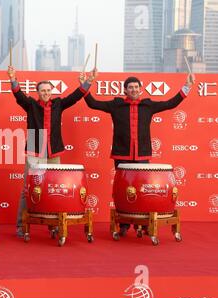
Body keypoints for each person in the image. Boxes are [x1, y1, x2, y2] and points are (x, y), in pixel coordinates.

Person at [83, 69, 195, 236]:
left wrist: (187, 86)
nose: (134, 89)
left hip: (142, 155)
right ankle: (124, 225)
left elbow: (171, 103)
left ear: (141, 89)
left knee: (142, 190)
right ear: (125, 90)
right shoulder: (116, 105)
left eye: (136, 87)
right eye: (130, 87)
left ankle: (141, 225)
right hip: (122, 155)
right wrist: (87, 83)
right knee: (124, 190)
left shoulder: (148, 105)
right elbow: (92, 103)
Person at [7, 66, 92, 238]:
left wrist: (88, 82)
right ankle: (20, 226)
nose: (46, 93)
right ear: (38, 92)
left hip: (54, 155)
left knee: (53, 189)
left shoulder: (59, 104)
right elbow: (18, 95)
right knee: (27, 190)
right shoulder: (30, 104)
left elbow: (76, 97)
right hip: (34, 153)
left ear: (51, 92)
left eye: (48, 90)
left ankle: (53, 225)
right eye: (42, 91)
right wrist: (12, 78)